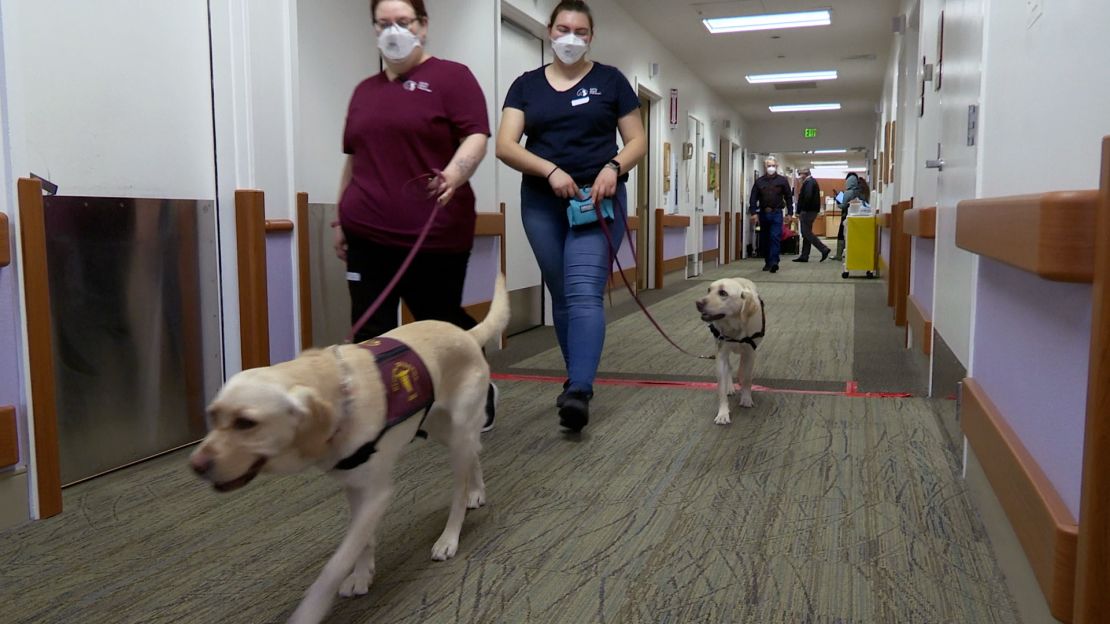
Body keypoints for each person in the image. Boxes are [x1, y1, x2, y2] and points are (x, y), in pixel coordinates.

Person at [333, 0, 499, 430]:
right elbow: (355, 160)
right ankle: (387, 415)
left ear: (423, 27)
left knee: (438, 323)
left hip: (434, 233)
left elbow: (476, 137)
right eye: (384, 23)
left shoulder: (451, 78)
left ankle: (478, 385)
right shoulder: (363, 92)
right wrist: (340, 218)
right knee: (372, 332)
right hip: (366, 233)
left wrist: (454, 174)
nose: (394, 31)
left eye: (403, 22)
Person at [496, 0, 646, 433]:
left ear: (591, 36)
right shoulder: (526, 85)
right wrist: (550, 170)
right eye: (563, 29)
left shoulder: (611, 81)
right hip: (543, 202)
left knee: (583, 290)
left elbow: (636, 140)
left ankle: (579, 390)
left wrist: (613, 167)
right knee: (561, 293)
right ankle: (574, 374)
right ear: (549, 30)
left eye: (581, 32)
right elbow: (507, 144)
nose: (571, 38)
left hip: (598, 199)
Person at [748, 157, 794, 273]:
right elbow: (753, 198)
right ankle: (768, 262)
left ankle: (774, 262)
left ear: (776, 166)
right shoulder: (759, 181)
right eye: (769, 166)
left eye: (773, 165)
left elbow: (788, 197)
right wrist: (753, 213)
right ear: (765, 167)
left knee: (775, 237)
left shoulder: (782, 181)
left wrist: (790, 213)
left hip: (777, 213)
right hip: (763, 213)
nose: (771, 168)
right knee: (765, 239)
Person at [792, 168, 831, 262]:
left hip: (807, 211)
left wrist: (802, 210)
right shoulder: (811, 182)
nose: (799, 177)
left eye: (800, 174)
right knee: (807, 233)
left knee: (806, 232)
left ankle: (823, 249)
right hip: (811, 211)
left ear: (805, 174)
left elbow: (807, 197)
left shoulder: (809, 182)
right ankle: (804, 255)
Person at [834, 172, 865, 260]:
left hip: (846, 216)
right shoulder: (861, 191)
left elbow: (842, 206)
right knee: (854, 236)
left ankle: (839, 255)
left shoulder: (847, 193)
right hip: (859, 217)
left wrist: (838, 199)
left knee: (841, 235)